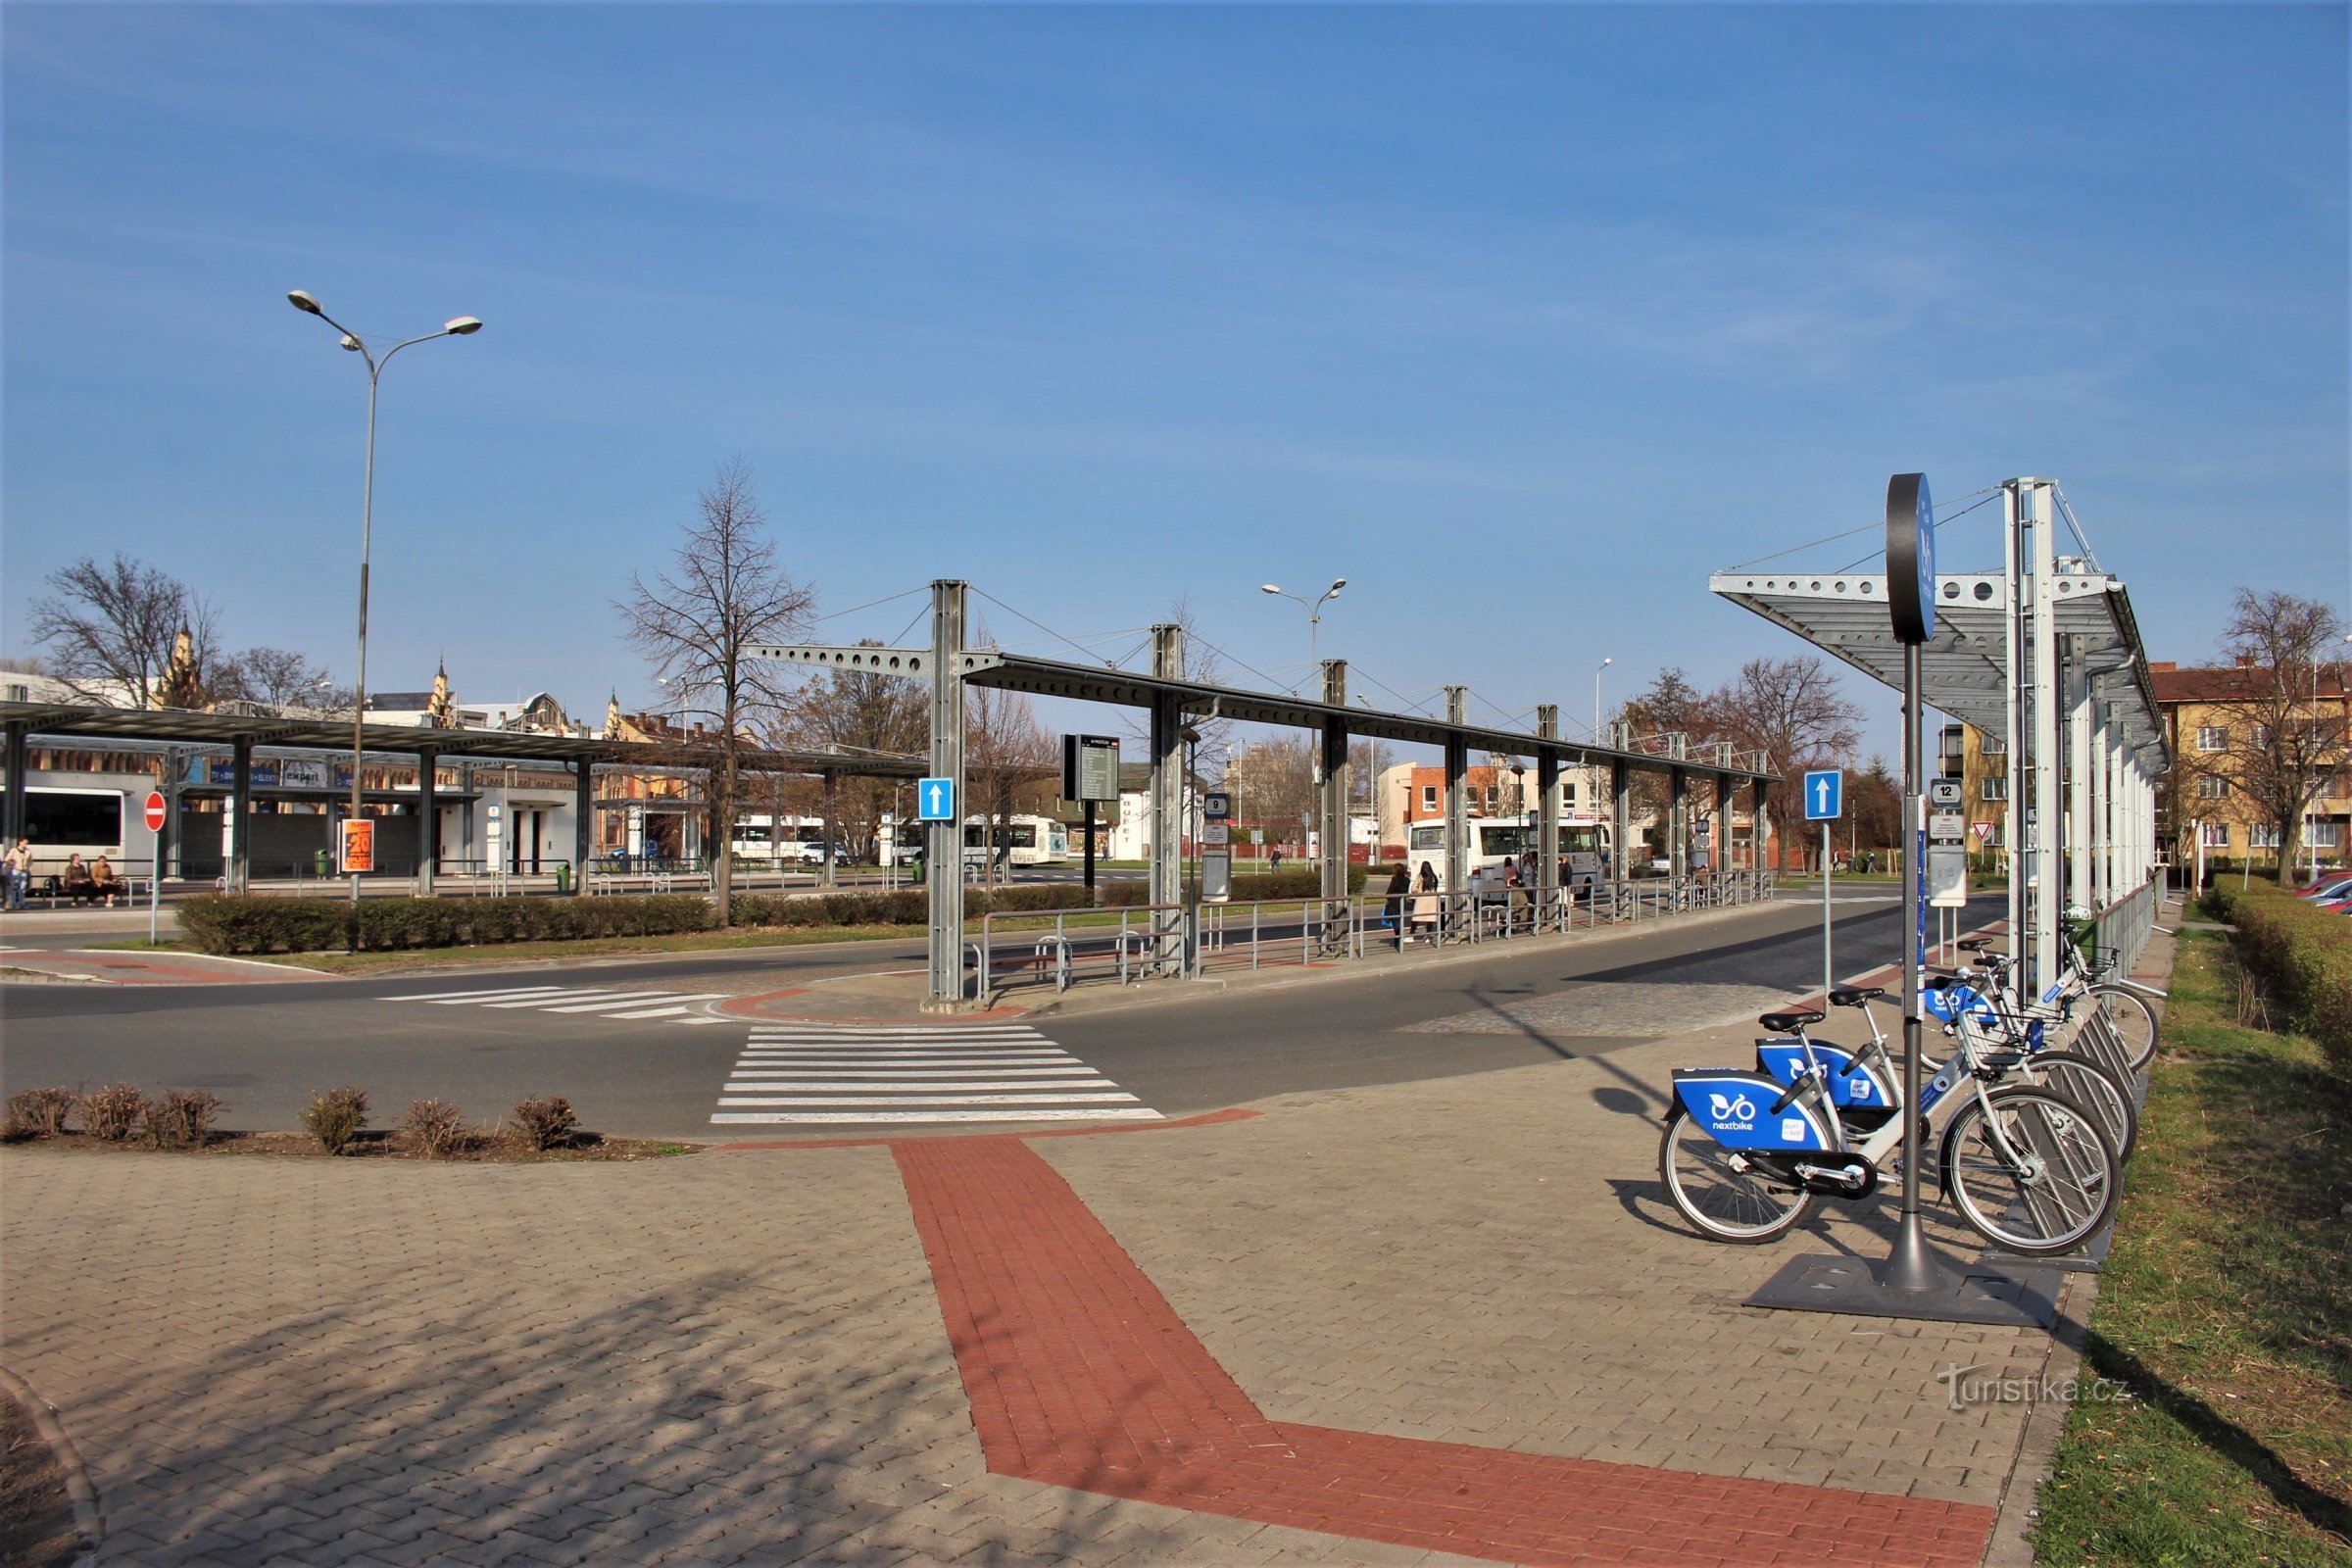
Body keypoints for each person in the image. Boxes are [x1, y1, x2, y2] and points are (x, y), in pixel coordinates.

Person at [1409, 861, 1441, 945]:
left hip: (1422, 898)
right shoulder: (1434, 876)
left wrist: (1415, 891)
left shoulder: (1420, 876)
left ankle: (1411, 935)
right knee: (1429, 918)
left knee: (1416, 917)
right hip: (1432, 899)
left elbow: (1414, 887)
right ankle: (1427, 936)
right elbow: (1436, 887)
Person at [1382, 863, 1410, 947]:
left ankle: (1398, 939)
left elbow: (1389, 892)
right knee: (1399, 920)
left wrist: (1388, 897)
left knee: (1396, 922)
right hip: (1402, 902)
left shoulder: (1395, 879)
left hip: (1394, 903)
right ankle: (1398, 938)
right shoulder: (1406, 880)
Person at [2, 837, 28, 910]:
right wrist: (12, 864)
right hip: (15, 870)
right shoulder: (14, 850)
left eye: (27, 843)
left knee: (22, 889)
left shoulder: (28, 851)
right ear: (20, 842)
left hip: (24, 871)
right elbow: (7, 859)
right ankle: (13, 903)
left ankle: (21, 903)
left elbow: (30, 861)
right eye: (25, 843)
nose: (26, 845)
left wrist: (28, 867)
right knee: (14, 888)